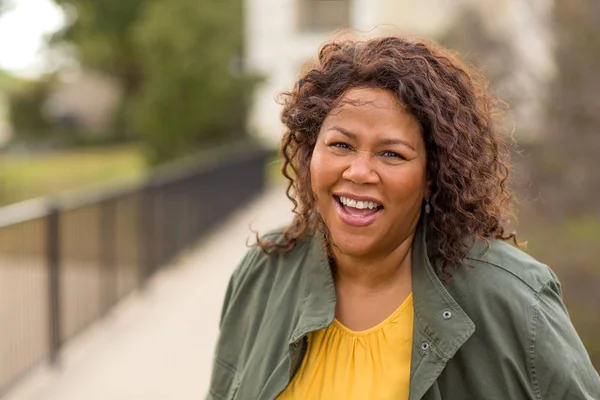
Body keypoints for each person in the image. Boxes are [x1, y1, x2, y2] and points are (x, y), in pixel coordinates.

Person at [206, 35, 600, 400]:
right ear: (311, 155)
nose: (359, 172)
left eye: (391, 153)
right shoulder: (263, 273)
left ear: (432, 176)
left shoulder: (512, 299)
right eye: (341, 145)